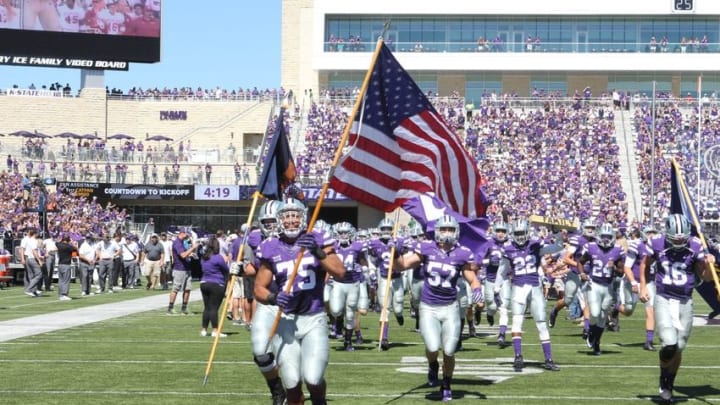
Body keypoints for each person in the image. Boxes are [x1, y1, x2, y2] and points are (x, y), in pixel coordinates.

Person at [254, 197, 346, 405]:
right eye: (286, 217)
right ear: (279, 220)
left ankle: (320, 401)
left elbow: (340, 271)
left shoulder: (317, 238)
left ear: (303, 218)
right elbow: (259, 288)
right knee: (292, 382)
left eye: (295, 216)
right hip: (286, 320)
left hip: (314, 317)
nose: (291, 221)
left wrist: (317, 251)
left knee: (313, 378)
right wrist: (272, 297)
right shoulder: (271, 246)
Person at [395, 215, 483, 402]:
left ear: (456, 231)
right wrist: (396, 253)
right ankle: (433, 364)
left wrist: (477, 290)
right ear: (436, 230)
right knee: (432, 346)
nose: (447, 233)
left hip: (450, 307)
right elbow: (402, 265)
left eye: (450, 229)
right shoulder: (426, 248)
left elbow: (471, 277)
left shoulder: (462, 253)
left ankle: (446, 384)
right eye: (443, 229)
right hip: (429, 307)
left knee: (450, 350)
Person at [639, 214, 715, 403]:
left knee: (679, 347)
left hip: (685, 301)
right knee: (669, 344)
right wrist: (642, 285)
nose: (680, 241)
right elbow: (644, 263)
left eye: (683, 238)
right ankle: (663, 380)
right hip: (664, 297)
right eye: (676, 238)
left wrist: (708, 264)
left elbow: (705, 277)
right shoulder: (656, 242)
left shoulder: (696, 245)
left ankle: (669, 383)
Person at [496, 218, 560, 372]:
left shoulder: (535, 245)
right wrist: (496, 289)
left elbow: (556, 247)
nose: (519, 236)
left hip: (535, 287)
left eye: (521, 232)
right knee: (517, 322)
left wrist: (557, 233)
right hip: (518, 288)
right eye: (517, 233)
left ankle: (548, 359)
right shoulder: (508, 249)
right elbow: (502, 270)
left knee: (541, 323)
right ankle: (518, 356)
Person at [577, 223, 625, 355]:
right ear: (598, 236)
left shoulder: (617, 250)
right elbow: (580, 262)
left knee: (603, 317)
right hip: (594, 284)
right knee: (595, 312)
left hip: (608, 287)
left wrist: (614, 267)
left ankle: (596, 342)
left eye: (608, 237)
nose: (605, 239)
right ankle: (591, 332)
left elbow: (621, 272)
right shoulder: (591, 247)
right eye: (603, 236)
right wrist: (582, 273)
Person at [367, 217, 405, 350]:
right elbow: (371, 260)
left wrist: (398, 250)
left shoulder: (400, 241)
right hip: (383, 278)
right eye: (384, 229)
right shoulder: (374, 244)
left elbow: (407, 257)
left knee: (398, 307)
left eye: (389, 229)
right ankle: (384, 338)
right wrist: (372, 272)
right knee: (385, 308)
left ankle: (399, 315)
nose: (387, 231)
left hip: (397, 278)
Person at [329, 221, 367, 351]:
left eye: (346, 233)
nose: (343, 235)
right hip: (338, 282)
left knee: (350, 314)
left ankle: (348, 341)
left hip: (353, 283)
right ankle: (339, 319)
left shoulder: (357, 246)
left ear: (351, 233)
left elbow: (363, 261)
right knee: (335, 310)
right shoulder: (332, 246)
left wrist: (366, 270)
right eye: (341, 233)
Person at [624, 225, 659, 351]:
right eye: (649, 232)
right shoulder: (637, 245)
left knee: (651, 310)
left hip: (648, 282)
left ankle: (648, 342)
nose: (651, 235)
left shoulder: (659, 246)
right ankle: (616, 309)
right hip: (634, 280)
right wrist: (633, 282)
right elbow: (627, 267)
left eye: (653, 232)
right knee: (628, 310)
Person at [478, 220, 512, 347]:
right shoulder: (489, 243)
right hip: (490, 279)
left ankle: (502, 335)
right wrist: (489, 261)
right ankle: (489, 314)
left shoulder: (511, 245)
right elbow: (479, 260)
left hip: (504, 280)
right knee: (491, 307)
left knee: (504, 309)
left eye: (503, 231)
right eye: (499, 231)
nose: (501, 233)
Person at [199, 237, 229, 337]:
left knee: (207, 307)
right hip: (216, 283)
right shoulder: (218, 257)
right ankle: (215, 330)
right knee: (214, 308)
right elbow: (226, 270)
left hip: (204, 283)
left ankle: (203, 329)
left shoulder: (204, 257)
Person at [167, 227, 200, 315]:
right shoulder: (177, 242)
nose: (189, 236)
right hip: (179, 269)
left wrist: (191, 254)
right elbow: (183, 255)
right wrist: (193, 248)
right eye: (187, 234)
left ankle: (184, 308)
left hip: (186, 268)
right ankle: (170, 308)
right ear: (182, 233)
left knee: (187, 289)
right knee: (176, 288)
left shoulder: (182, 242)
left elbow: (185, 253)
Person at [22, 228, 44, 297]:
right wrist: (39, 261)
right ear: (35, 234)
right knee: (39, 274)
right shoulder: (34, 241)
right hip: (32, 259)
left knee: (31, 276)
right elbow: (34, 251)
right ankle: (29, 289)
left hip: (28, 258)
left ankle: (33, 291)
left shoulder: (29, 240)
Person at [55, 234, 78, 300]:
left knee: (61, 280)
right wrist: (74, 244)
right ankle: (64, 294)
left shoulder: (59, 245)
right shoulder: (69, 247)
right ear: (68, 239)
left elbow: (56, 242)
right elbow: (74, 254)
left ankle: (60, 294)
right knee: (66, 280)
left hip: (60, 264)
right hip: (66, 264)